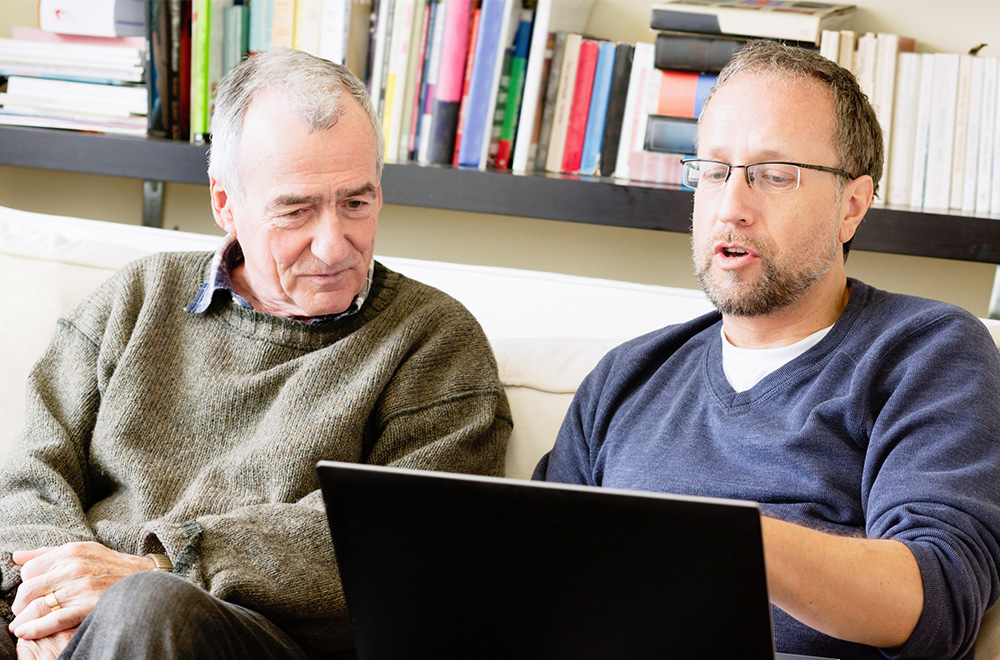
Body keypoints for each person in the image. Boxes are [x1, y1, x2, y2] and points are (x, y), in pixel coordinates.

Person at [0, 48, 511, 659]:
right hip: (58, 616)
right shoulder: (136, 299)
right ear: (225, 204)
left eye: (356, 202)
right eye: (296, 211)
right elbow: (30, 477)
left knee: (148, 607)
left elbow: (401, 544)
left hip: (252, 638)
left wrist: (160, 565)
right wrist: (52, 603)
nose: (333, 245)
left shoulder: (433, 341)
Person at [535, 40, 1000, 660]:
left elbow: (937, 601)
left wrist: (716, 541)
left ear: (851, 207)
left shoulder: (927, 353)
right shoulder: (626, 376)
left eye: (774, 174)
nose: (732, 208)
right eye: (714, 171)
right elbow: (538, 578)